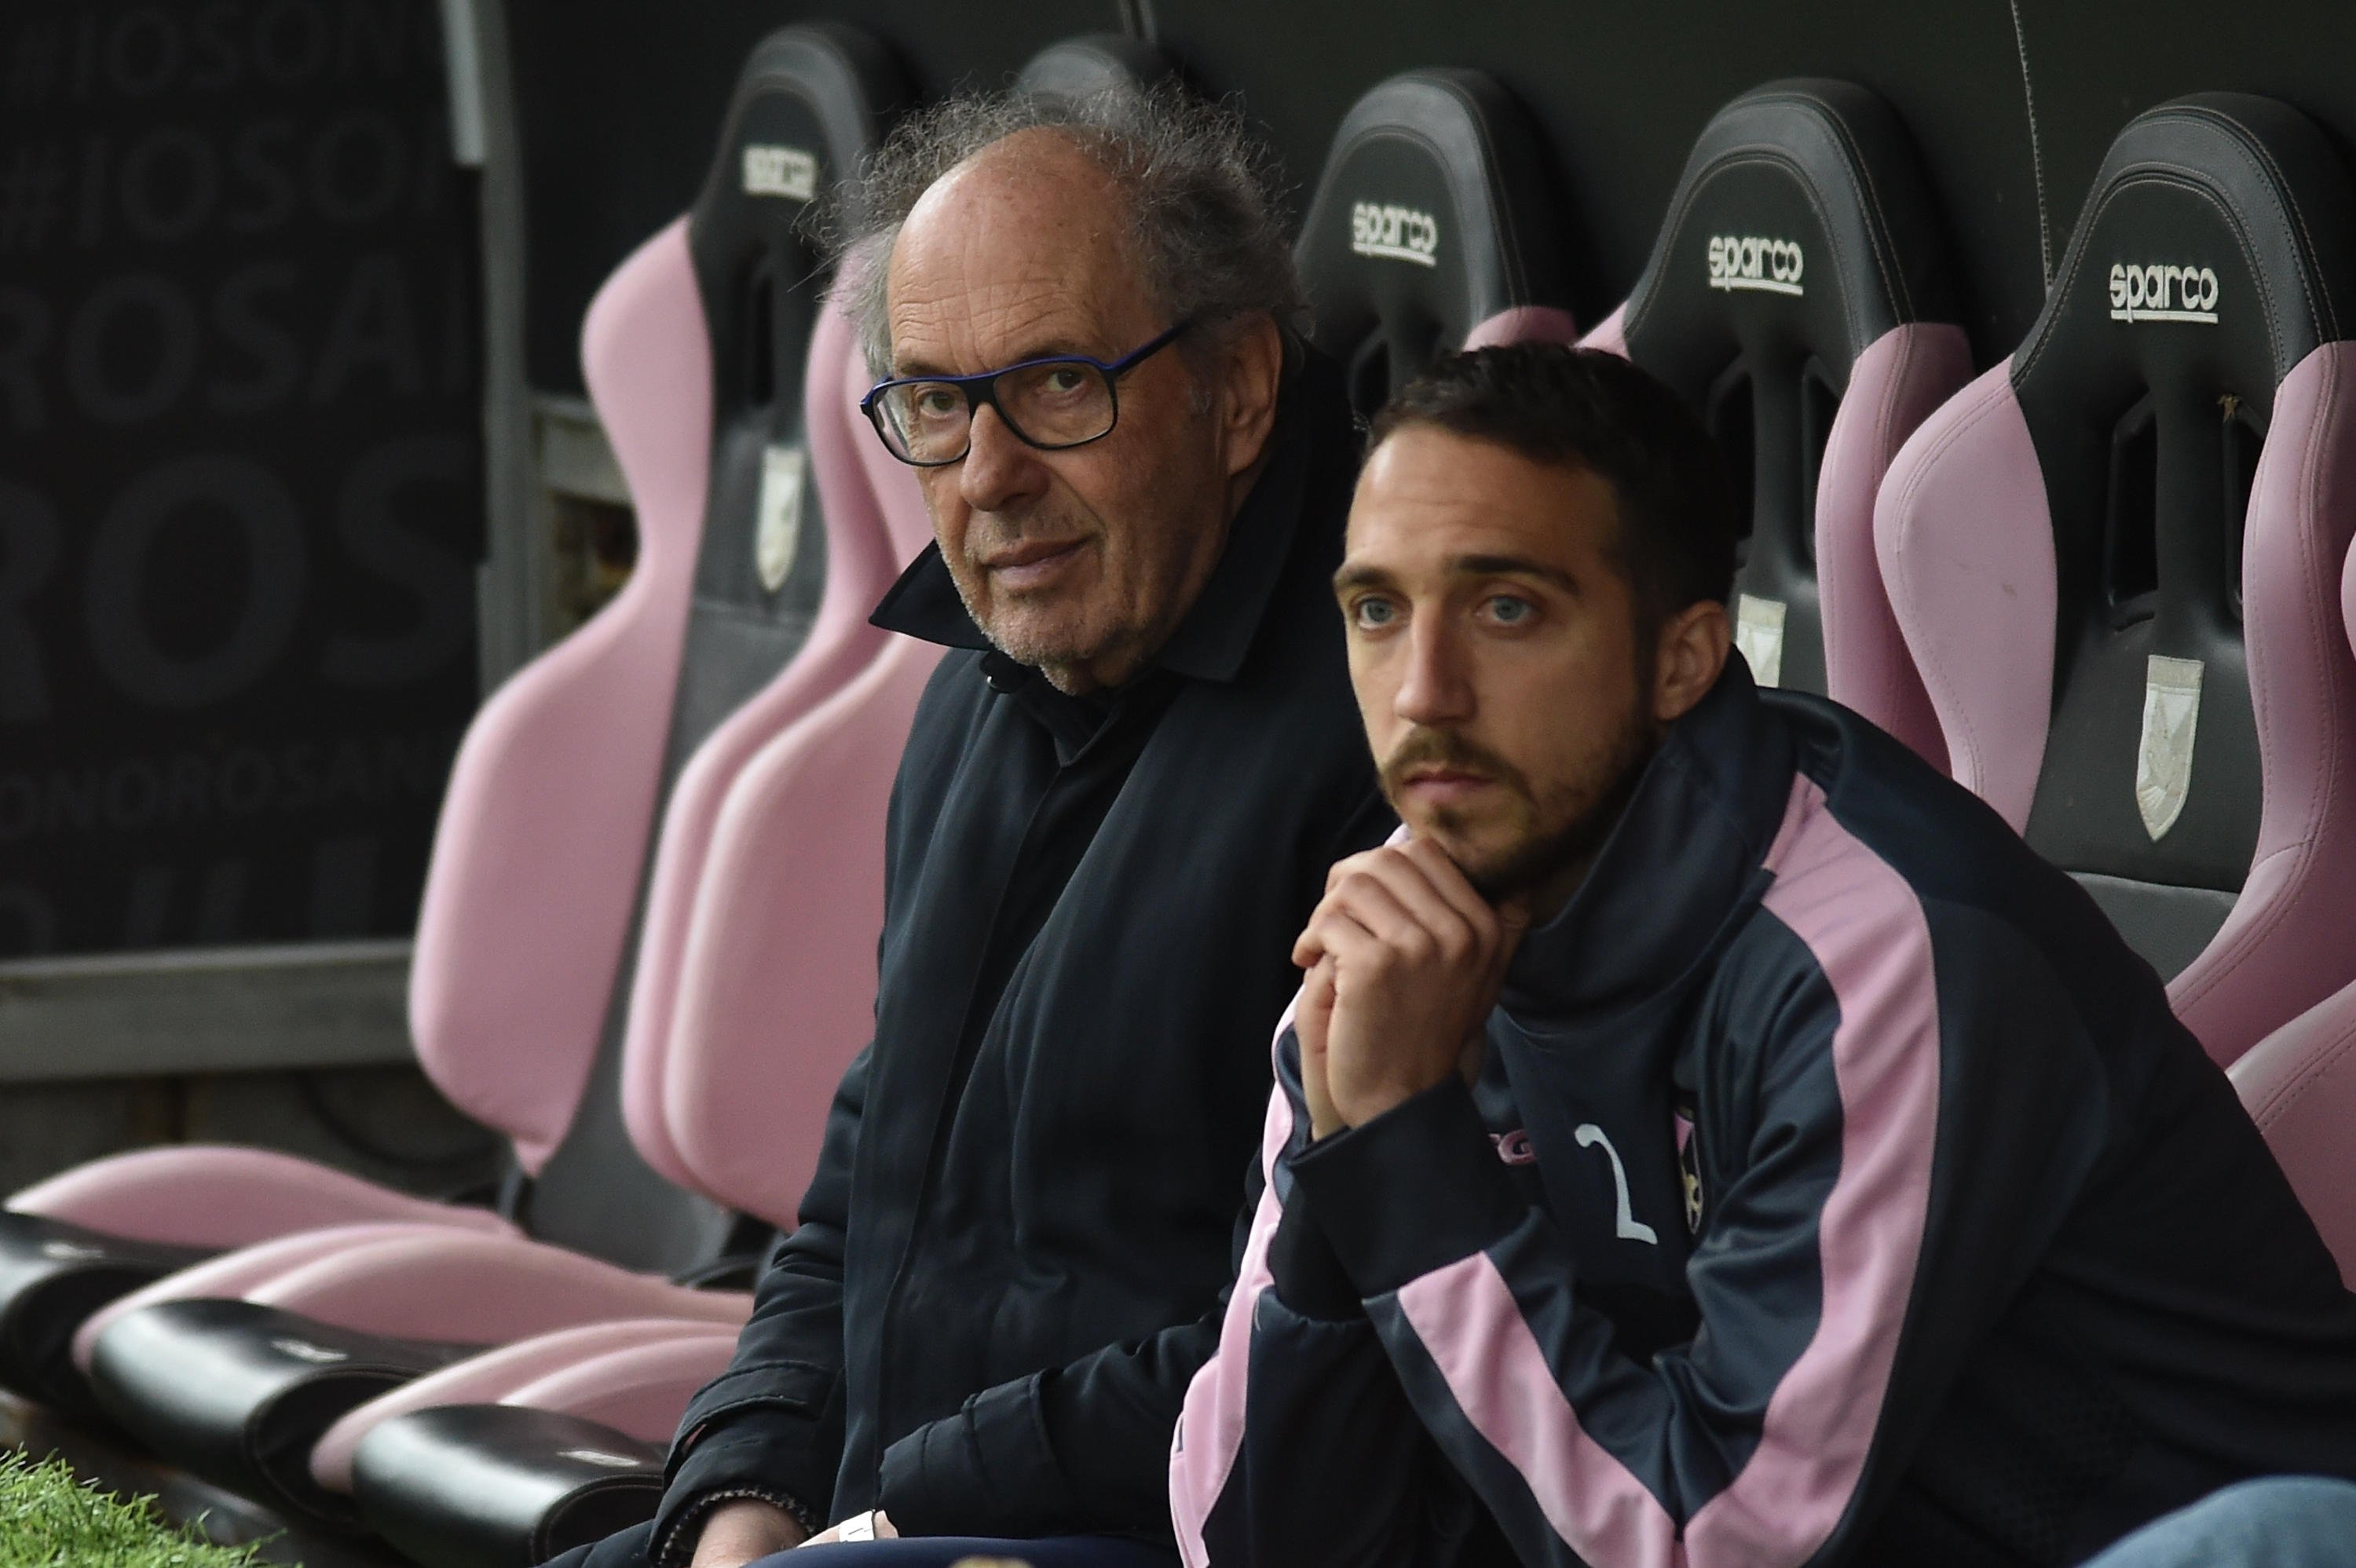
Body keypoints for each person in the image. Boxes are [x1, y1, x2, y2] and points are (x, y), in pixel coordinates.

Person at [1169, 344, 2356, 1567]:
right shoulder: (1398, 946)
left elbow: (1715, 1545)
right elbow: (1238, 1539)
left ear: (1682, 657)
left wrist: (1410, 1155)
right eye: (1377, 611)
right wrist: (1347, 1161)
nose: (1423, 691)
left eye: (1506, 607)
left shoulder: (1878, 955)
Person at [550, 84, 1389, 1568]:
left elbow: (1338, 1327)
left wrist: (900, 1509)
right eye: (937, 403)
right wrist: (748, 1492)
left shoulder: (1395, 738)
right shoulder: (973, 692)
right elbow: (857, 1196)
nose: (990, 476)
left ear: (1242, 388)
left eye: (1061, 383)